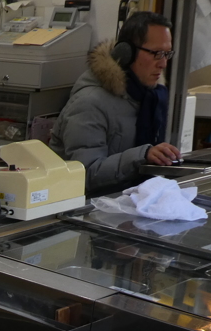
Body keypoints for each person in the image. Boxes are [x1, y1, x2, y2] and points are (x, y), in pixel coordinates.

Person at [49, 12, 182, 197]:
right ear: (125, 53)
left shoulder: (152, 98)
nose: (163, 63)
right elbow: (85, 175)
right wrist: (141, 156)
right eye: (156, 53)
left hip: (126, 201)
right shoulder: (88, 104)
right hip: (85, 208)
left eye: (167, 54)